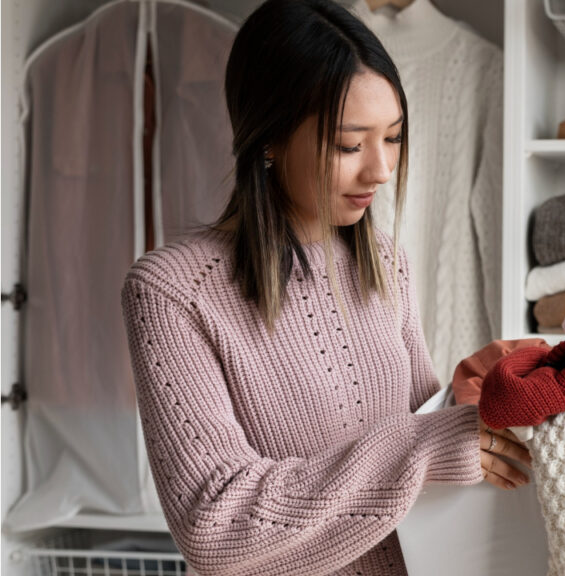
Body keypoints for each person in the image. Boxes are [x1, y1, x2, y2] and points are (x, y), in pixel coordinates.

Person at [120, 1, 531, 574]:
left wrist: (462, 401)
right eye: (349, 145)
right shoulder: (172, 292)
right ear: (268, 138)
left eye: (393, 138)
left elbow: (416, 457)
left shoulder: (388, 262)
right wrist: (427, 444)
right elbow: (214, 524)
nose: (382, 170)